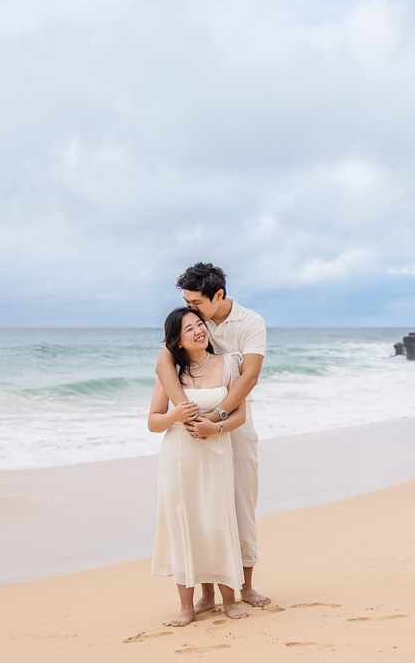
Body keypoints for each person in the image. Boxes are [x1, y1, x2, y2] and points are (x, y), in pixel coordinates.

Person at [155, 262, 271, 611]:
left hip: (234, 424)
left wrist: (217, 417)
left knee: (240, 505)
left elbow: (248, 377)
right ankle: (207, 593)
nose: (191, 309)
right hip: (197, 431)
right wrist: (185, 412)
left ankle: (245, 587)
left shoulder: (250, 323)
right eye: (187, 302)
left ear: (217, 295)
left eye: (196, 302)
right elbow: (163, 365)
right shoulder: (193, 323)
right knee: (204, 510)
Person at [148, 306, 250, 625]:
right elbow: (153, 422)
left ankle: (229, 600)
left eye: (199, 324)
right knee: (186, 526)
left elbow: (239, 415)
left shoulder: (229, 364)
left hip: (216, 453)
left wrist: (215, 428)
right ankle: (186, 607)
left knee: (218, 523)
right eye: (188, 329)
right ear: (177, 342)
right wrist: (174, 416)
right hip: (179, 458)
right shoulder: (171, 374)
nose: (198, 331)